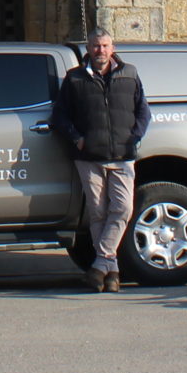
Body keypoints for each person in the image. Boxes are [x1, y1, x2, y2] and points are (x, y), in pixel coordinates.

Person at [50, 29, 151, 293]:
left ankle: (99, 264)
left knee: (123, 209)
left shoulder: (129, 73)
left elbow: (143, 110)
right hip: (89, 157)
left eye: (105, 45)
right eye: (95, 46)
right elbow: (60, 117)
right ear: (89, 49)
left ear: (112, 47)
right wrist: (77, 138)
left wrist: (134, 137)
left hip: (122, 156)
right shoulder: (75, 79)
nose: (100, 51)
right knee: (98, 214)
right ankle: (112, 272)